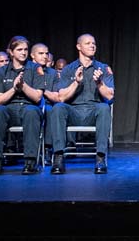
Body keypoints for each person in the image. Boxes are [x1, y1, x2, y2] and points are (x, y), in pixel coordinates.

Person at [48, 34, 114, 174]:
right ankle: (58, 157)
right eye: (88, 43)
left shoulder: (103, 68)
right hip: (73, 111)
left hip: (93, 111)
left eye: (94, 43)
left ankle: (100, 157)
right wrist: (76, 83)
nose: (92, 46)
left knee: (104, 107)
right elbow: (61, 97)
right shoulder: (68, 69)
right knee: (58, 107)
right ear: (79, 47)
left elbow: (110, 96)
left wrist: (99, 83)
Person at [0, 36, 45, 175]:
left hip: (28, 107)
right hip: (9, 109)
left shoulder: (36, 69)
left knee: (31, 111)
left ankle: (30, 161)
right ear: (11, 52)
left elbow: (37, 97)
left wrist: (23, 86)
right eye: (19, 49)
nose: (23, 52)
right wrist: (14, 88)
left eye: (25, 49)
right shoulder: (1, 71)